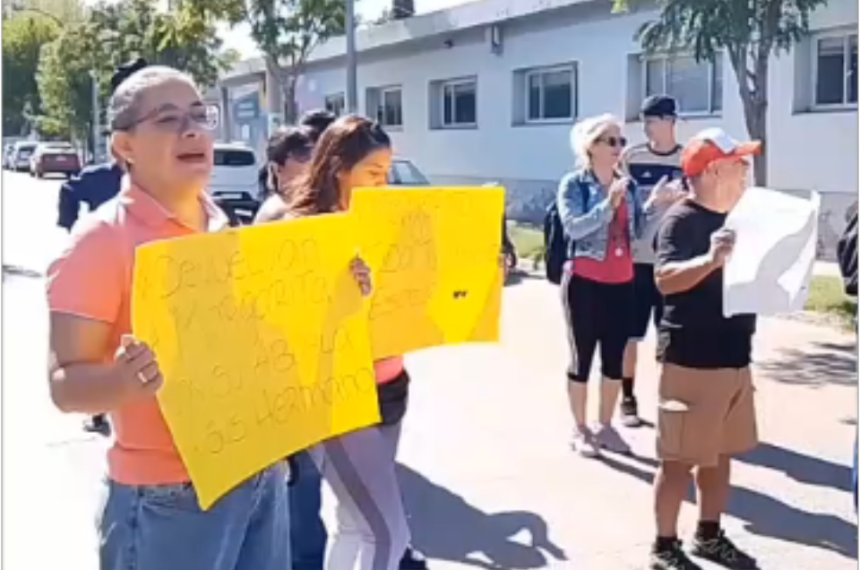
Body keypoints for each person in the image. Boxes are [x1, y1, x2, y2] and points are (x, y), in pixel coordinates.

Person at [46, 65, 295, 570]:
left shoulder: (225, 226)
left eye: (200, 116)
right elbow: (63, 384)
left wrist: (338, 297)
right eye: (167, 119)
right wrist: (120, 379)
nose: (192, 130)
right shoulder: (101, 241)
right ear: (124, 146)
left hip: (258, 474)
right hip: (168, 500)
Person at [257, 115, 415, 570]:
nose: (384, 185)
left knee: (356, 522)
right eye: (374, 173)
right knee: (389, 532)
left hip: (389, 383)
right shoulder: (299, 228)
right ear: (338, 168)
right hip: (336, 394)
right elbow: (278, 316)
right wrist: (340, 287)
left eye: (388, 173)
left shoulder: (384, 221)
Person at [650, 127, 762, 570]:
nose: (747, 171)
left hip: (735, 357)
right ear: (714, 170)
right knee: (678, 461)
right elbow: (664, 279)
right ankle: (664, 545)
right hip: (691, 360)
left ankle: (708, 535)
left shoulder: (741, 217)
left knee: (719, 456)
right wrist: (710, 261)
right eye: (740, 163)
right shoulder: (681, 219)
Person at [557, 113, 678, 458]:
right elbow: (575, 229)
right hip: (583, 282)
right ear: (590, 147)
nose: (619, 148)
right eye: (611, 141)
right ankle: (580, 429)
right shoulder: (574, 185)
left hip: (622, 282)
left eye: (621, 141)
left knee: (613, 359)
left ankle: (605, 427)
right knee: (582, 359)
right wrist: (608, 204)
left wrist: (657, 205)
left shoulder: (629, 186)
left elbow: (638, 234)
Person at [55, 56, 149, 437]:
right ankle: (103, 410)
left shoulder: (200, 208)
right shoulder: (101, 193)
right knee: (106, 343)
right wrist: (73, 230)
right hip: (109, 273)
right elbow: (67, 382)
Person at [618, 95, 685, 427]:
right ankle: (627, 398)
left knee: (669, 337)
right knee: (630, 334)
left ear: (671, 120)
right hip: (636, 261)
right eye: (644, 122)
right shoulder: (632, 157)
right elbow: (620, 204)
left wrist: (682, 197)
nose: (647, 128)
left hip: (671, 262)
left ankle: (667, 400)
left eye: (652, 121)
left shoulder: (688, 158)